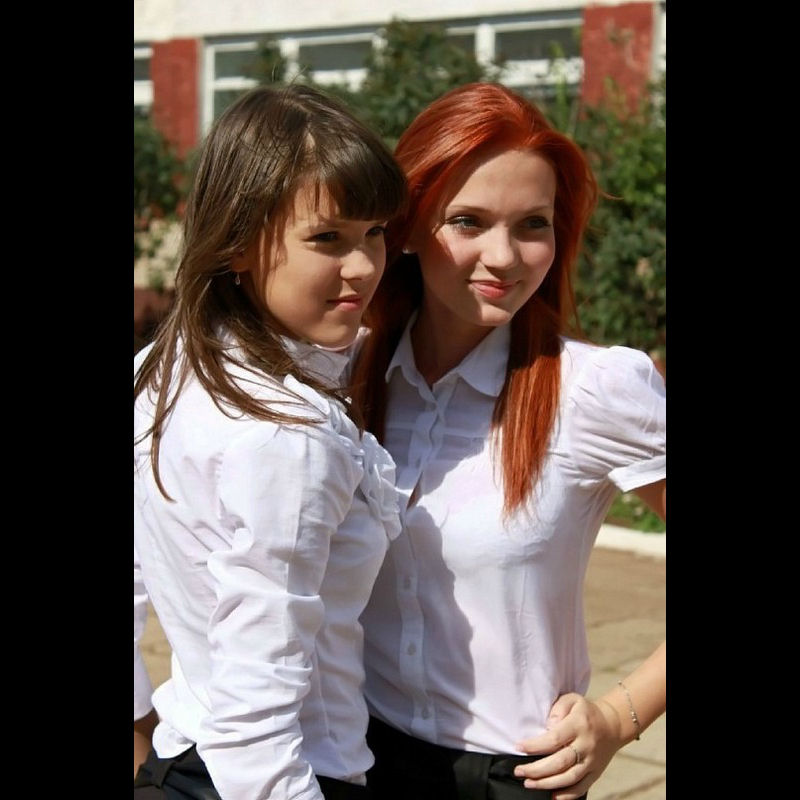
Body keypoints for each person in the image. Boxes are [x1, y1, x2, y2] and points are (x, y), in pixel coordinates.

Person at [349, 82, 666, 800]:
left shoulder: (596, 389)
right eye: (468, 220)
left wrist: (617, 718)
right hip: (351, 756)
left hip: (509, 775)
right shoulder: (350, 373)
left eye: (532, 224)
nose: (505, 256)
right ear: (407, 226)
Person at [133, 83, 407, 800]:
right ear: (237, 242)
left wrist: (141, 736)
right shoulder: (288, 438)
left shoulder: (160, 371)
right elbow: (256, 721)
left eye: (375, 232)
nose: (364, 266)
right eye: (327, 238)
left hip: (182, 758)